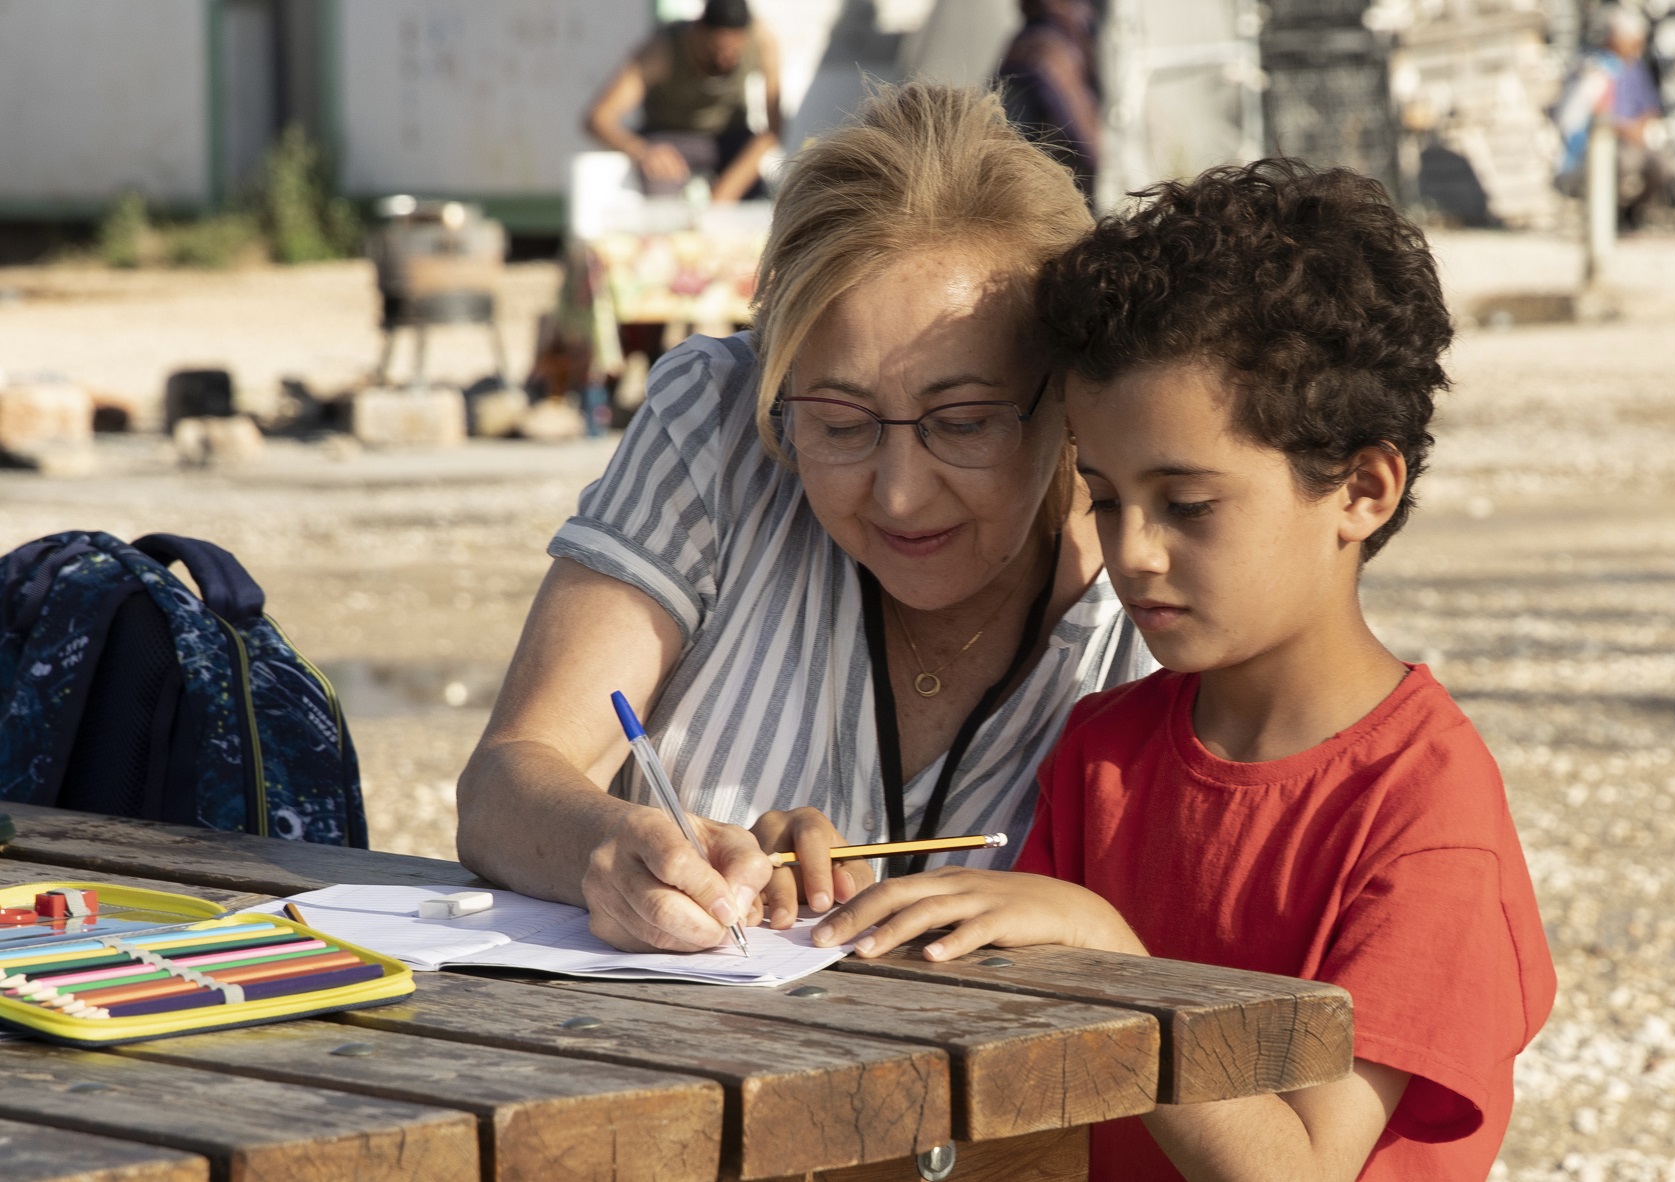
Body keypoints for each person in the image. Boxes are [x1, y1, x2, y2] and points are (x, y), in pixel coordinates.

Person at [814, 160, 1557, 1180]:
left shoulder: (1423, 812)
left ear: (1361, 489)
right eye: (1107, 499)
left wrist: (1117, 965)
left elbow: (1294, 1171)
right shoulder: (1105, 753)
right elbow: (1013, 1071)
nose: (1134, 553)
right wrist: (824, 907)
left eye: (1187, 505)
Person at [458, 83, 1156, 954]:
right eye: (838, 422)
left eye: (966, 421)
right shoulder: (719, 423)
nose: (899, 495)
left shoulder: (1156, 570)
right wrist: (615, 849)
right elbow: (503, 786)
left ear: (1070, 398)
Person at [584, 0, 784, 202]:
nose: (726, 58)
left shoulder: (762, 40)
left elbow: (773, 132)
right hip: (671, 138)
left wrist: (728, 189)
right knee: (662, 195)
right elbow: (598, 118)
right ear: (698, 30)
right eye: (718, 49)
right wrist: (644, 152)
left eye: (735, 53)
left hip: (730, 138)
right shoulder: (663, 50)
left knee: (756, 207)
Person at [1554, 7, 1670, 229]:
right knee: (1624, 161)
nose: (1638, 45)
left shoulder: (1637, 69)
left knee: (1664, 164)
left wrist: (1639, 128)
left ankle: (1631, 214)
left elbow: (1650, 107)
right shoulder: (1594, 68)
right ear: (1614, 39)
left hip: (1635, 139)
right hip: (1600, 142)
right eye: (1633, 40)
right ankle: (1606, 214)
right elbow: (1588, 116)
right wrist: (1625, 130)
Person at [995, 0, 1102, 196]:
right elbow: (1003, 143)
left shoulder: (1073, 33)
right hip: (1043, 182)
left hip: (1067, 175)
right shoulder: (1038, 50)